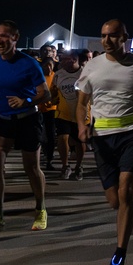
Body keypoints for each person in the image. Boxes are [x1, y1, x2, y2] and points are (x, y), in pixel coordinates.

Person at [76, 20, 133, 265]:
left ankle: (119, 255)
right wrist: (82, 124)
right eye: (103, 36)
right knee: (115, 201)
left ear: (125, 37)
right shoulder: (92, 66)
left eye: (113, 36)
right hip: (102, 137)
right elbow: (82, 103)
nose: (107, 40)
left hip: (132, 133)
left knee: (125, 193)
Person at [0, 20, 51, 233]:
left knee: (32, 168)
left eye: (5, 36)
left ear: (15, 39)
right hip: (2, 119)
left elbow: (44, 93)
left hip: (27, 118)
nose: (0, 40)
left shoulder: (29, 63)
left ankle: (40, 209)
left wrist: (25, 101)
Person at [49, 49, 87, 180]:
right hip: (63, 112)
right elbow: (53, 92)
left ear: (74, 60)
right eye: (61, 59)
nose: (62, 62)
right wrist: (52, 99)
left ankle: (79, 166)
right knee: (62, 138)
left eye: (65, 59)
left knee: (79, 141)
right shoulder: (58, 74)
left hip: (81, 114)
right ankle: (65, 166)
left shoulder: (85, 73)